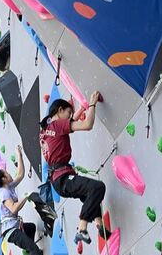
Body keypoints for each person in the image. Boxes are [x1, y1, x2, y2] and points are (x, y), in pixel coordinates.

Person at [39, 93, 111, 245]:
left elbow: (70, 123)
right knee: (97, 187)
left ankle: (99, 224)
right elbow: (87, 125)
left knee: (88, 194)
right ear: (60, 110)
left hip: (58, 180)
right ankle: (81, 228)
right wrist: (92, 104)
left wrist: (81, 109)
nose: (70, 116)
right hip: (63, 178)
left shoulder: (46, 130)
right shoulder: (57, 126)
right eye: (68, 113)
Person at [0, 145, 58, 255]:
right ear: (4, 179)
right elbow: (14, 208)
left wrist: (19, 154)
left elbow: (20, 174)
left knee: (31, 228)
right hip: (11, 232)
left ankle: (30, 253)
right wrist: (26, 197)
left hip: (15, 227)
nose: (9, 174)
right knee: (33, 247)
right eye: (7, 173)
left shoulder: (8, 187)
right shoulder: (3, 194)